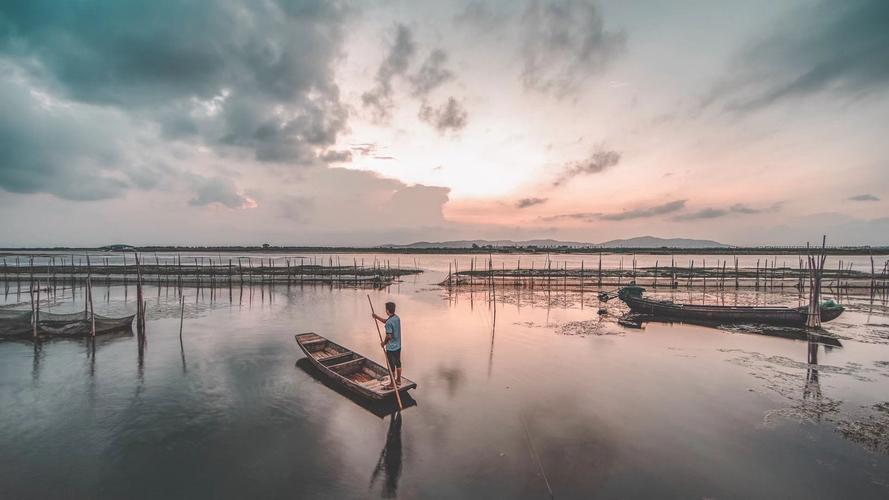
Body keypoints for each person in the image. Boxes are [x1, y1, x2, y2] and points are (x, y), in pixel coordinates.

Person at [372, 301, 401, 389]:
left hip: (391, 348)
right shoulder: (396, 318)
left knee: (391, 366)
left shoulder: (389, 322)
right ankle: (398, 380)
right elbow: (387, 321)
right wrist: (376, 317)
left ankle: (392, 384)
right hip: (398, 346)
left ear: (387, 310)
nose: (385, 311)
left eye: (386, 309)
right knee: (398, 363)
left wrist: (383, 343)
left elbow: (389, 335)